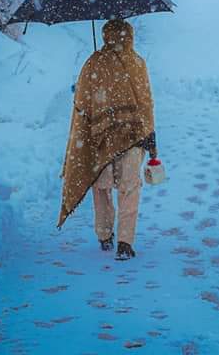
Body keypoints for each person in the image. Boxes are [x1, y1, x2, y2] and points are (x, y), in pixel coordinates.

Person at [57, 17, 157, 261]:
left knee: (100, 187)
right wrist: (151, 135)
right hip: (133, 137)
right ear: (129, 36)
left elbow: (81, 105)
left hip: (100, 138)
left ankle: (104, 234)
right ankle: (125, 242)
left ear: (105, 36)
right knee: (129, 188)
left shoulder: (92, 64)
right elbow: (145, 102)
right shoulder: (137, 63)